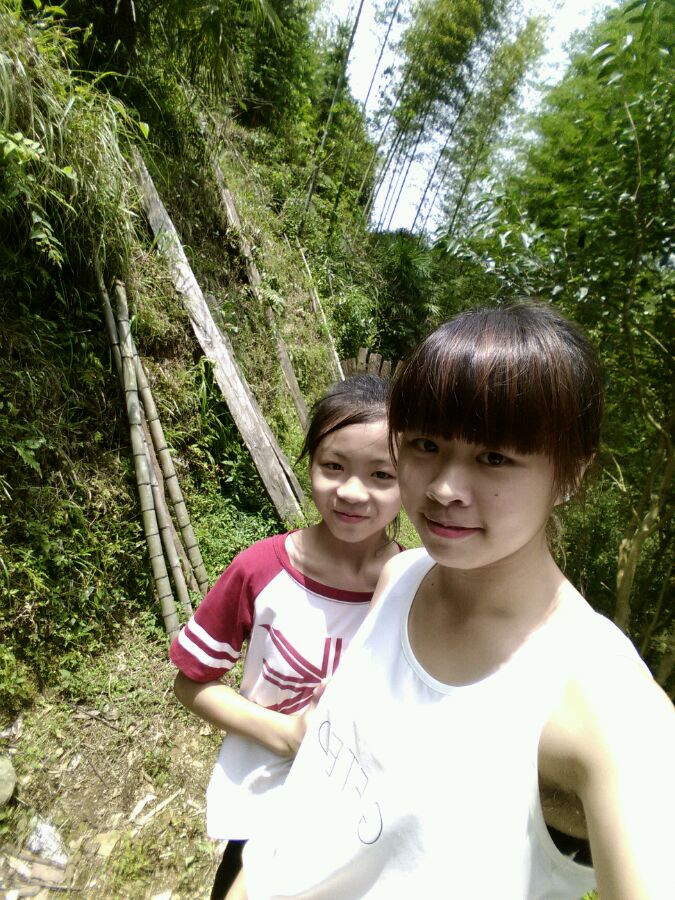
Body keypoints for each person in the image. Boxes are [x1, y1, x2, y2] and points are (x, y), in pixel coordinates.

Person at [234, 303, 675, 899]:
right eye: (425, 444)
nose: (443, 488)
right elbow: (318, 784)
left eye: (494, 457)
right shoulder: (400, 577)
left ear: (571, 474)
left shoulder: (604, 703)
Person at [170, 374, 403, 899]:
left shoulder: (417, 589)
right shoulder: (260, 570)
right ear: (310, 464)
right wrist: (286, 735)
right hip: (264, 806)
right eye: (333, 466)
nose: (352, 491)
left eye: (381, 474)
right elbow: (191, 683)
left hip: (363, 819)